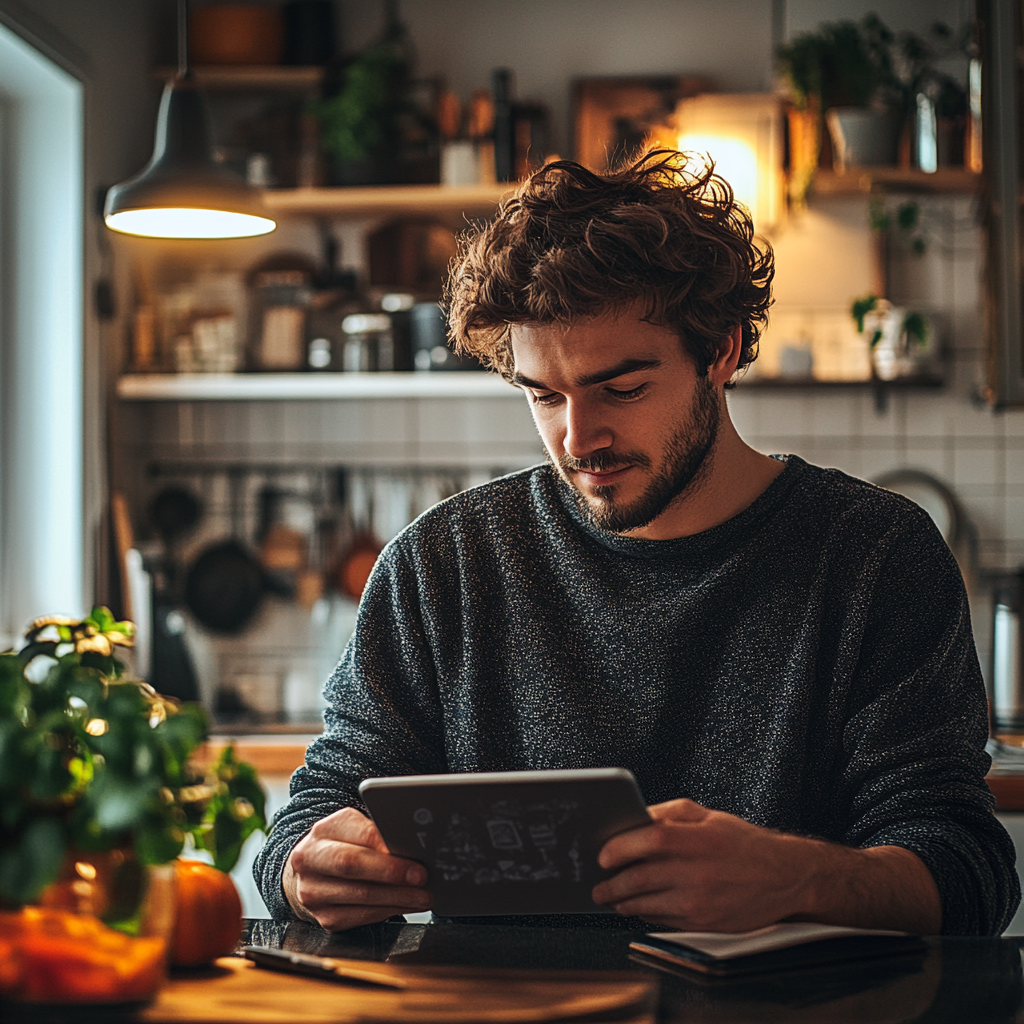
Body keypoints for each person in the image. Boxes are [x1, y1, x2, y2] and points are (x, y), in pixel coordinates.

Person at [255, 151, 1019, 936]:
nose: (578, 439)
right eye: (544, 395)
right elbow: (312, 815)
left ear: (719, 351)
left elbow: (967, 873)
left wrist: (797, 879)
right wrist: (305, 869)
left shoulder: (873, 556)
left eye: (621, 388)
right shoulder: (442, 564)